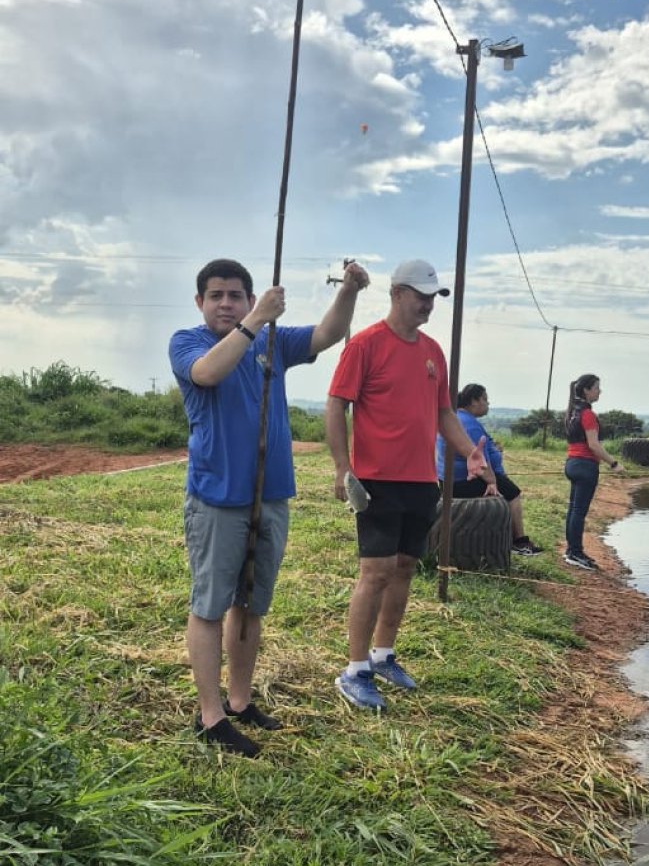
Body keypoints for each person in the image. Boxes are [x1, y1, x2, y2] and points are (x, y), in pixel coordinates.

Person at [169, 257, 369, 755]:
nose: (225, 303)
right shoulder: (188, 342)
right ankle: (210, 717)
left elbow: (325, 335)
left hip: (272, 493)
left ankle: (239, 701)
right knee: (210, 605)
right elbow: (209, 374)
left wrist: (348, 291)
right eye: (216, 295)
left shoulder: (273, 343)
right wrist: (255, 319)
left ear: (247, 295)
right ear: (200, 302)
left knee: (251, 604)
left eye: (235, 295)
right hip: (218, 498)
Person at [326, 259, 497, 711]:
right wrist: (343, 466)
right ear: (397, 293)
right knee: (375, 572)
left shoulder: (433, 352)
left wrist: (469, 452)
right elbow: (336, 405)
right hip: (377, 481)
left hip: (422, 480)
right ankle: (355, 669)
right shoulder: (364, 345)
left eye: (433, 297)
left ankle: (384, 655)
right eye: (420, 295)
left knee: (404, 567)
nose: (427, 305)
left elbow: (443, 414)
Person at [436, 383, 544, 556]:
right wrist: (493, 481)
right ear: (473, 401)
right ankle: (520, 542)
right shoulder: (470, 425)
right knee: (513, 493)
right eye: (485, 399)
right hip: (465, 481)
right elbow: (481, 462)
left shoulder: (455, 419)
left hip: (446, 480)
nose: (488, 403)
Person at [563, 373, 620, 570]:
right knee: (578, 511)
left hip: (572, 463)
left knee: (573, 509)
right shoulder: (587, 414)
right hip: (585, 466)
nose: (599, 391)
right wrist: (613, 463)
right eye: (597, 388)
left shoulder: (573, 412)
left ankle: (571, 550)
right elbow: (594, 445)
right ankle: (575, 553)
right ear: (586, 390)